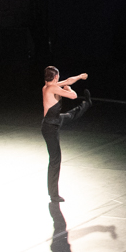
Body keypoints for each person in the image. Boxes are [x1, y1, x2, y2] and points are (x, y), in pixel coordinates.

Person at [41, 66, 90, 202]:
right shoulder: (53, 88)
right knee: (55, 160)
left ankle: (87, 104)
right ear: (55, 77)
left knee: (70, 115)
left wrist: (80, 76)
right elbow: (73, 95)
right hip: (50, 128)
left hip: (55, 120)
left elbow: (68, 80)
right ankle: (53, 194)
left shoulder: (48, 86)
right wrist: (68, 89)